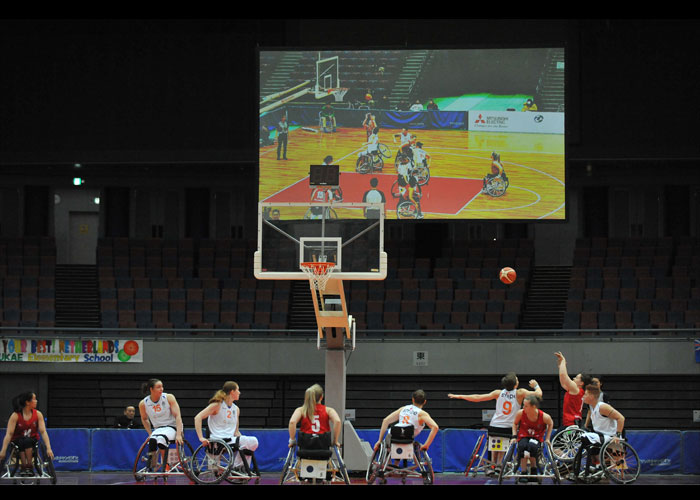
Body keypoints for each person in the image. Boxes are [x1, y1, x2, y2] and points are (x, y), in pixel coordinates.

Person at [448, 373, 542, 471]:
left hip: (494, 426)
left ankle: (492, 465)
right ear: (515, 385)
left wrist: (460, 396)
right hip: (508, 427)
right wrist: (536, 385)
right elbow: (539, 394)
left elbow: (477, 398)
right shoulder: (520, 393)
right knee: (503, 442)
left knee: (494, 443)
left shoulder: (498, 393)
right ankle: (499, 464)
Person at [194, 381, 259, 470]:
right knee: (213, 470)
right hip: (218, 440)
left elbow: (236, 432)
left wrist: (245, 442)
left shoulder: (236, 409)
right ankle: (237, 467)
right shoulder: (217, 405)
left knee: (253, 442)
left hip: (230, 440)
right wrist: (201, 437)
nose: (239, 392)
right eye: (238, 390)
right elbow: (198, 417)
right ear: (232, 392)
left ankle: (239, 467)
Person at [0, 391, 54, 477]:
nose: (36, 401)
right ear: (27, 402)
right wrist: (3, 450)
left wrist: (49, 448)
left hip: (32, 441)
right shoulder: (15, 415)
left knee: (27, 440)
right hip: (17, 442)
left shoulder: (38, 414)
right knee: (22, 441)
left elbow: (43, 432)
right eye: (34, 399)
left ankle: (29, 466)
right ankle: (24, 466)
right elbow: (9, 434)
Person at [574, 384, 626, 474]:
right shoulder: (592, 408)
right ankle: (586, 468)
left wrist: (617, 435)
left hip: (611, 437)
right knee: (583, 437)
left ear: (591, 396)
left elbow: (621, 418)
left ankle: (588, 470)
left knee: (585, 437)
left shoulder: (602, 407)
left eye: (585, 395)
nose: (583, 397)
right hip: (601, 435)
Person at [138, 379, 184, 470]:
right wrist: (150, 433)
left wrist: (179, 434)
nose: (161, 389)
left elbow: (178, 416)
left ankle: (165, 464)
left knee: (161, 438)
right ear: (151, 389)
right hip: (158, 429)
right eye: (158, 387)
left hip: (172, 427)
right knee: (152, 439)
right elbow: (144, 419)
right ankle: (151, 465)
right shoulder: (144, 403)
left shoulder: (168, 397)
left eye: (162, 386)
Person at [373, 389, 439, 453]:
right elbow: (435, 427)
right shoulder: (422, 414)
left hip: (393, 435)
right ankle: (395, 461)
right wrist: (426, 445)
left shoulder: (403, 408)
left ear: (413, 399)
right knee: (405, 442)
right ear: (425, 402)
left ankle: (389, 462)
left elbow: (385, 420)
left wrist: (379, 440)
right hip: (408, 438)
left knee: (389, 443)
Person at [510, 395, 554, 482]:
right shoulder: (521, 413)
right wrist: (514, 436)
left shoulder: (544, 416)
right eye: (523, 405)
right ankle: (523, 472)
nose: (523, 407)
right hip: (524, 436)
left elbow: (551, 424)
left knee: (532, 448)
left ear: (533, 406)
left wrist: (547, 438)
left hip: (536, 437)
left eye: (526, 406)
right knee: (522, 447)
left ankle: (534, 470)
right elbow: (514, 424)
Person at [288, 384, 342, 449]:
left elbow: (292, 422)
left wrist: (292, 440)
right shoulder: (329, 410)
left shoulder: (301, 410)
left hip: (305, 447)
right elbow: (337, 421)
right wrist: (335, 441)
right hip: (323, 447)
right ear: (321, 397)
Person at [554, 351, 586, 429]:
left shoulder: (576, 389)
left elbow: (563, 375)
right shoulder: (575, 391)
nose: (574, 378)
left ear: (581, 383)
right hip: (571, 422)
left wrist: (563, 360)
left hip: (571, 424)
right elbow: (563, 381)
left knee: (552, 439)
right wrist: (562, 365)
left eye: (577, 377)